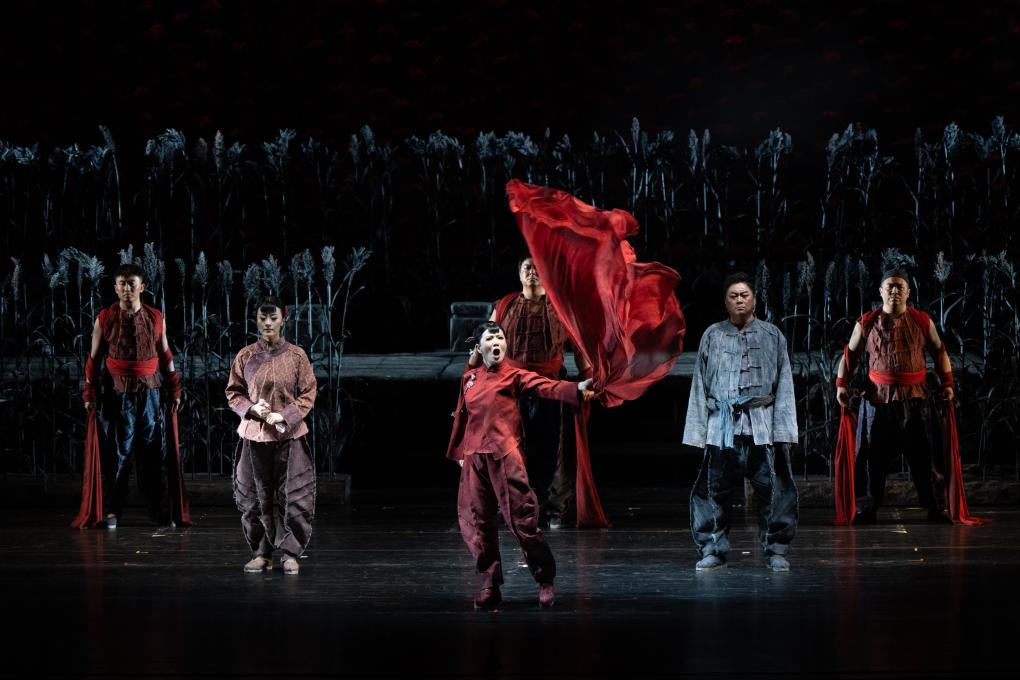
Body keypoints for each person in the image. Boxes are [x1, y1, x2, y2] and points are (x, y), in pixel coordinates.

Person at [448, 321, 594, 610]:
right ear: (479, 348)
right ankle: (489, 585)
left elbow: (546, 386)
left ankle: (544, 578)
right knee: (479, 525)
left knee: (522, 521)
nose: (497, 343)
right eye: (490, 339)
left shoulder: (514, 375)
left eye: (500, 338)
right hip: (476, 460)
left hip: (505, 456)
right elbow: (463, 416)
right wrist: (461, 451)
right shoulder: (469, 379)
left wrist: (577, 388)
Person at [833, 268, 984, 525]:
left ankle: (936, 508)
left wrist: (948, 383)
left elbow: (939, 352)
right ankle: (866, 509)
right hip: (878, 403)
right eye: (890, 286)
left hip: (916, 401)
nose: (894, 291)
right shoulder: (866, 322)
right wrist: (841, 385)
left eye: (900, 287)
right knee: (871, 460)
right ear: (881, 291)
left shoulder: (922, 321)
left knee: (927, 458)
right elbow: (849, 356)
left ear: (908, 293)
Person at [468, 256, 603, 529]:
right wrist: (474, 374)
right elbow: (484, 343)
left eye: (537, 268)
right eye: (527, 268)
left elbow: (579, 351)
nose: (532, 272)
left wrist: (588, 379)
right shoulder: (505, 305)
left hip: (550, 386)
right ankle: (515, 506)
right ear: (519, 274)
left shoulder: (562, 308)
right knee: (510, 448)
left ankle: (552, 509)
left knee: (553, 450)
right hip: (511, 386)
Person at [683, 272, 799, 571]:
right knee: (712, 492)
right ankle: (712, 548)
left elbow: (785, 384)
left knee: (774, 491)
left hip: (762, 426)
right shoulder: (712, 335)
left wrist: (784, 431)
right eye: (733, 296)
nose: (739, 300)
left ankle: (776, 549)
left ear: (755, 300)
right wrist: (697, 432)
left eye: (744, 295)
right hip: (721, 428)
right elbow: (699, 384)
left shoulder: (772, 335)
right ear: (725, 302)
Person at [72, 263, 188, 529]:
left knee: (152, 452)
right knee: (117, 453)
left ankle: (159, 512)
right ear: (115, 288)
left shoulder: (155, 317)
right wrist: (89, 392)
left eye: (131, 283)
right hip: (116, 393)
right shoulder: (105, 317)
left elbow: (166, 355)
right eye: (122, 284)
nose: (127, 288)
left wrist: (175, 388)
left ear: (141, 287)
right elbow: (93, 359)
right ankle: (112, 512)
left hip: (150, 392)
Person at [226, 296, 317, 574]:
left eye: (273, 317)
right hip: (255, 435)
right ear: (256, 320)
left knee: (295, 494)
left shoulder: (296, 356)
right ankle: (262, 553)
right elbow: (233, 393)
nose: (267, 322)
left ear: (283, 320)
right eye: (262, 317)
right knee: (253, 495)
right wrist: (251, 409)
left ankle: (290, 553)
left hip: (289, 435)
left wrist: (285, 415)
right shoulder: (246, 355)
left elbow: (309, 392)